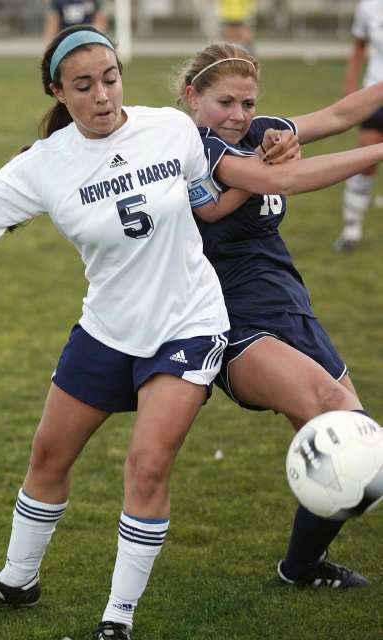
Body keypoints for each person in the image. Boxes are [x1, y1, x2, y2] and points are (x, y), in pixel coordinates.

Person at [0, 27, 239, 640]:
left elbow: (208, 199)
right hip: (108, 326)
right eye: (83, 86)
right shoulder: (45, 164)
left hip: (188, 324)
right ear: (59, 91)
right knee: (47, 454)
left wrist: (272, 159)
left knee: (145, 466)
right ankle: (17, 579)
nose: (103, 96)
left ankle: (117, 621)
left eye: (110, 79)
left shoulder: (169, 129)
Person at [175, 42, 383, 589]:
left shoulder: (254, 131)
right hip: (232, 317)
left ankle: (301, 568)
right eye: (225, 102)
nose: (238, 115)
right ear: (193, 97)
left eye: (247, 103)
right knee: (338, 416)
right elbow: (279, 181)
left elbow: (340, 115)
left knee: (356, 457)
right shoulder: (189, 146)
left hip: (290, 303)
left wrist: (272, 141)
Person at [334, 0, 383, 252]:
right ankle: (351, 230)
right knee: (365, 160)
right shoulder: (369, 7)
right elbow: (358, 48)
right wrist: (351, 81)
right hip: (375, 95)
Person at [43, 0, 108, 46]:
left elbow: (100, 23)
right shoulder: (58, 2)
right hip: (65, 41)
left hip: (88, 41)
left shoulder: (95, 2)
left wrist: (95, 39)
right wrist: (49, 44)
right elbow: (53, 24)